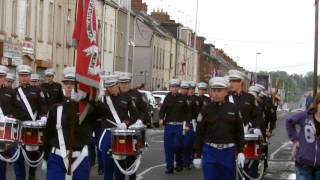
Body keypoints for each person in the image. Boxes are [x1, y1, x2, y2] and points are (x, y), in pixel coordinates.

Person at [43, 67, 91, 180]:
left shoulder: (87, 109)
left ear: (78, 86)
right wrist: (46, 157)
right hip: (57, 158)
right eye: (66, 83)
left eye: (72, 83)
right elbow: (48, 135)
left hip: (80, 158)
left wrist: (88, 98)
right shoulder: (55, 109)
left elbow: (102, 111)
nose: (69, 86)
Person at [193, 76, 245, 180]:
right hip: (210, 151)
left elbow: (239, 132)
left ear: (226, 92)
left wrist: (240, 151)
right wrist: (197, 155)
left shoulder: (233, 108)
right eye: (214, 90)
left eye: (219, 90)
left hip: (228, 152)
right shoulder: (206, 109)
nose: (216, 93)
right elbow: (199, 133)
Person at [92, 74, 139, 180]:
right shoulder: (103, 99)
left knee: (120, 166)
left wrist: (126, 123)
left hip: (122, 133)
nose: (110, 89)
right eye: (108, 86)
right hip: (107, 132)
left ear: (117, 84)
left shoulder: (127, 98)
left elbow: (135, 115)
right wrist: (97, 102)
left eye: (112, 86)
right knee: (107, 166)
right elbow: (95, 115)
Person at [228, 70, 264, 178]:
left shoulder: (250, 98)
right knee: (230, 168)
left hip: (246, 135)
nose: (231, 83)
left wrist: (257, 127)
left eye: (234, 81)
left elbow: (257, 115)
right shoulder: (227, 98)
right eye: (231, 81)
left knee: (248, 166)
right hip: (231, 136)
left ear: (241, 82)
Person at [15, 65, 48, 180]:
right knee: (19, 153)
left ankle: (32, 174)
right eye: (22, 75)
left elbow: (43, 106)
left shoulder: (37, 90)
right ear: (18, 77)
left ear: (29, 77)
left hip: (33, 127)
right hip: (19, 127)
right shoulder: (14, 92)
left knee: (33, 154)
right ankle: (20, 177)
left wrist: (43, 116)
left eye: (26, 75)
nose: (24, 78)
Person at [286, 93, 320, 179]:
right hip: (303, 164)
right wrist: (295, 140)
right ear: (317, 103)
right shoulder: (305, 116)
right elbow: (289, 121)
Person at [159, 79, 189, 174]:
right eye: (173, 87)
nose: (174, 88)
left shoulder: (183, 98)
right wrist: (161, 118)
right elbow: (162, 110)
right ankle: (170, 167)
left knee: (177, 145)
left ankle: (179, 163)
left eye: (176, 87)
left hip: (179, 126)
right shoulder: (167, 97)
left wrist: (187, 124)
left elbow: (188, 113)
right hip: (169, 126)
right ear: (170, 88)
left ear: (179, 88)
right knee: (168, 147)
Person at [0, 65, 20, 180]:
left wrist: (12, 116)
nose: (0, 79)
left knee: (2, 162)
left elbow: (17, 109)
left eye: (2, 76)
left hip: (4, 130)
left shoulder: (11, 92)